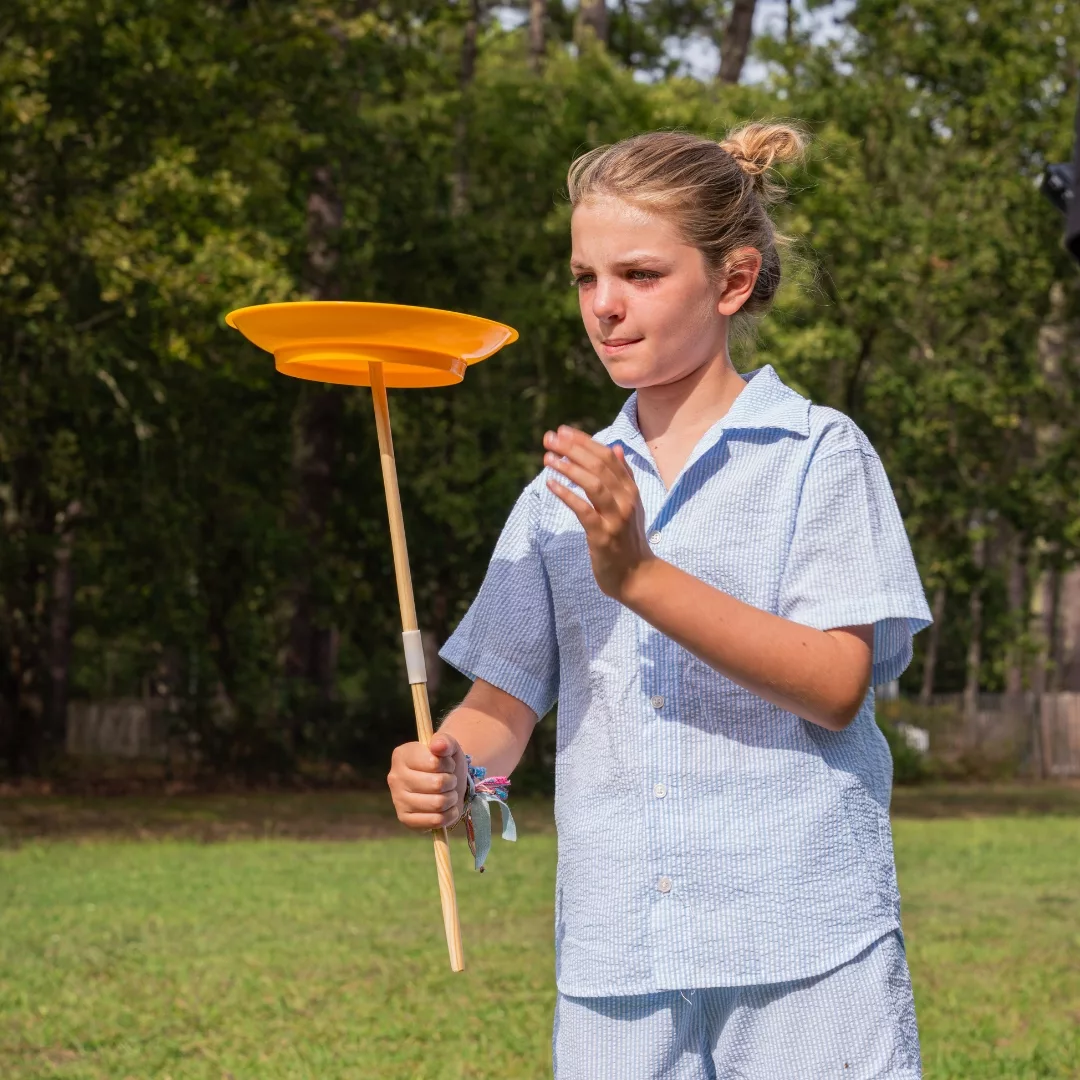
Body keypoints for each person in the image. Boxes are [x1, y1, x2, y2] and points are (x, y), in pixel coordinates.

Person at [386, 123, 932, 1079]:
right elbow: (504, 706)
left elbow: (838, 682)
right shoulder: (557, 495)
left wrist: (641, 577)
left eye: (639, 275)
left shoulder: (819, 456)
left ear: (731, 281)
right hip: (618, 959)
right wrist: (451, 768)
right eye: (585, 278)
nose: (605, 307)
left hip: (805, 951)